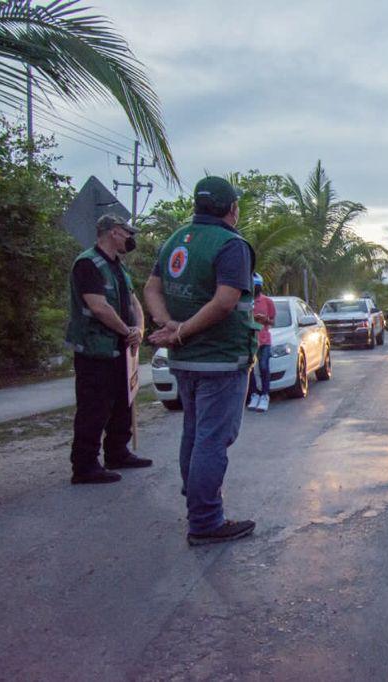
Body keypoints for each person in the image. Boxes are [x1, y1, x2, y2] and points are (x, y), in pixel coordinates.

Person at [145, 176, 258, 546]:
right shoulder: (231, 245)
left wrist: (169, 325)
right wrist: (180, 331)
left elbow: (152, 288)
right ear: (231, 209)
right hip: (221, 359)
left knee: (194, 435)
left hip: (186, 360)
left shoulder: (176, 239)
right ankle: (206, 521)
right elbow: (225, 302)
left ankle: (197, 500)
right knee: (212, 439)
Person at [65, 214, 152, 484]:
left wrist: (138, 329)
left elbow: (134, 302)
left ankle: (117, 452)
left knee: (122, 403)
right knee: (95, 406)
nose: (130, 239)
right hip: (96, 349)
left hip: (121, 349)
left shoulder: (118, 267)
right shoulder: (88, 264)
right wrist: (126, 331)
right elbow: (98, 306)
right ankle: (85, 465)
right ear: (113, 232)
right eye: (127, 233)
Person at [247, 273, 276, 413]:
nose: (255, 288)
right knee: (250, 370)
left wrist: (265, 319)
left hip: (264, 339)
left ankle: (265, 395)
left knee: (264, 366)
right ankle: (253, 394)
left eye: (257, 286)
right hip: (250, 340)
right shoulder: (246, 301)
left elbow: (272, 321)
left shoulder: (267, 301)